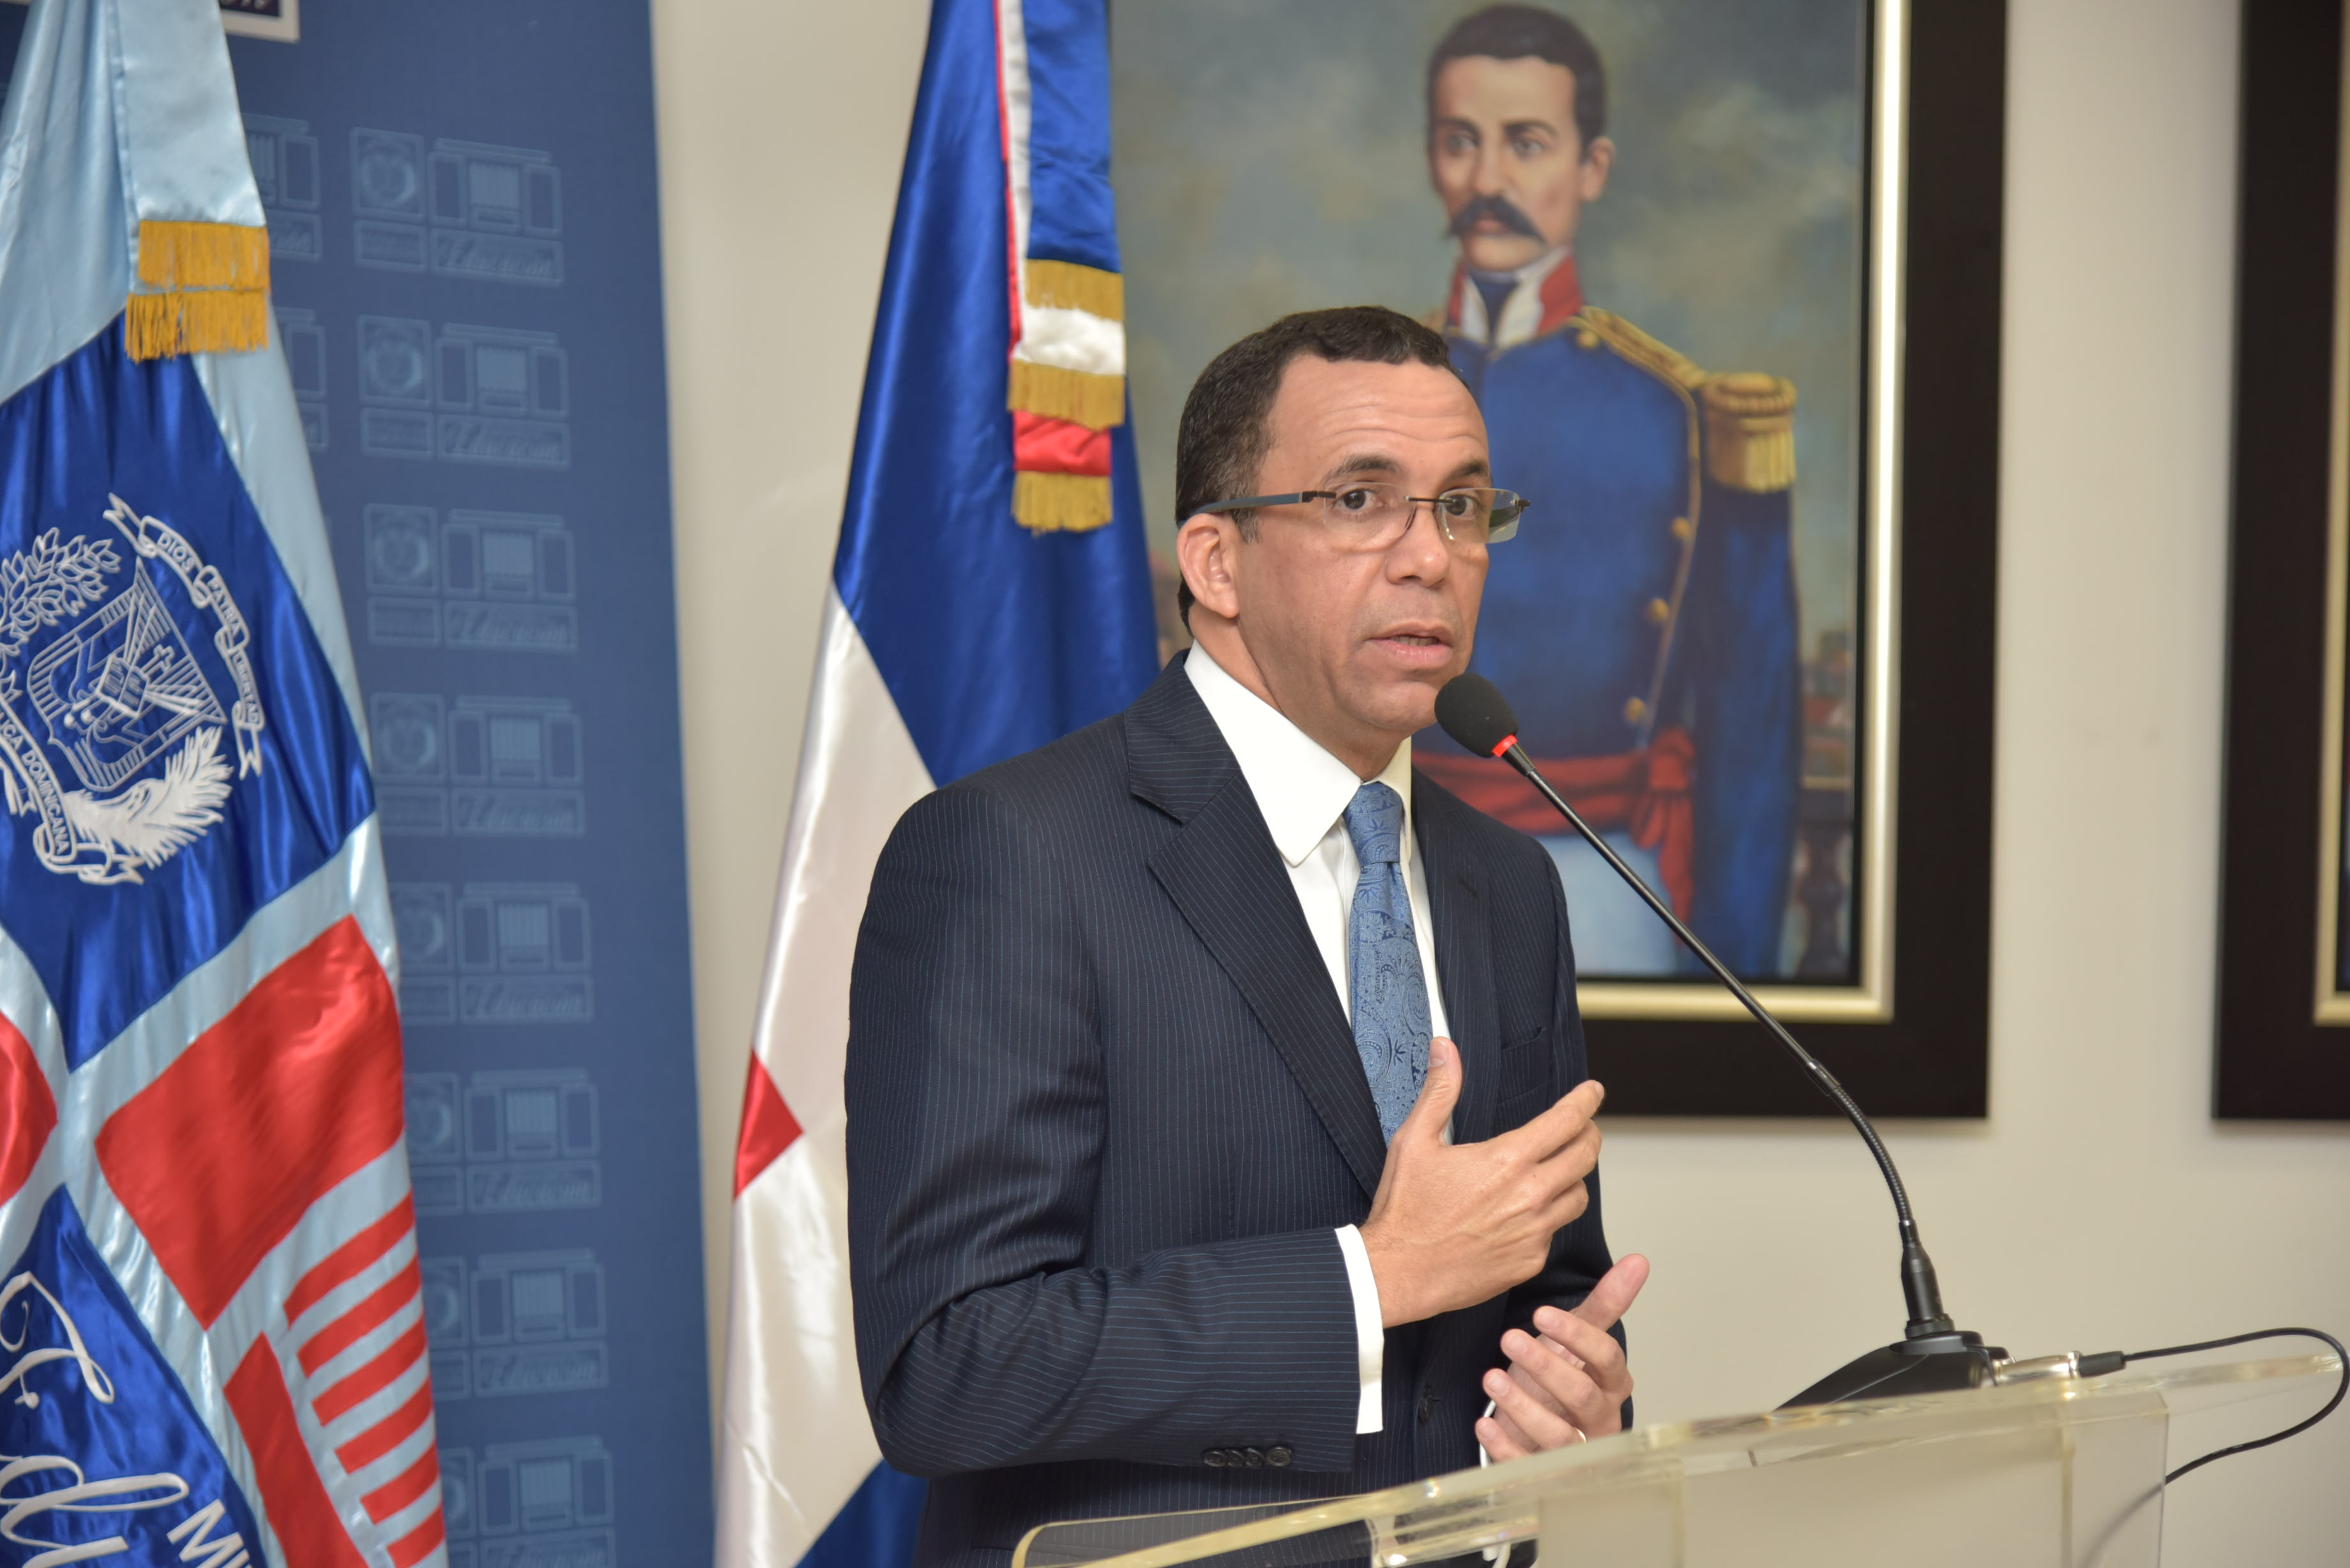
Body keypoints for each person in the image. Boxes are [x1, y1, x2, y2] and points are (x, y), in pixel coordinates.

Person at [846, 306, 1647, 1568]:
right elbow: (948, 1361)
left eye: (1461, 506)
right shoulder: (1013, 854)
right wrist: (1364, 1285)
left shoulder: (1508, 879)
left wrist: (1574, 1404)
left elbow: (1542, 1283)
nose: (1428, 556)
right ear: (1216, 563)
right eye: (1359, 500)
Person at [1413, 4, 1804, 979]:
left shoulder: (1683, 412)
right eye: (1463, 142)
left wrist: (1739, 958)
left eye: (1527, 144)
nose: (1490, 181)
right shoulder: (1357, 393)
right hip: (1378, 868)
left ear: (1592, 167)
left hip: (1600, 881)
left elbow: (1751, 716)